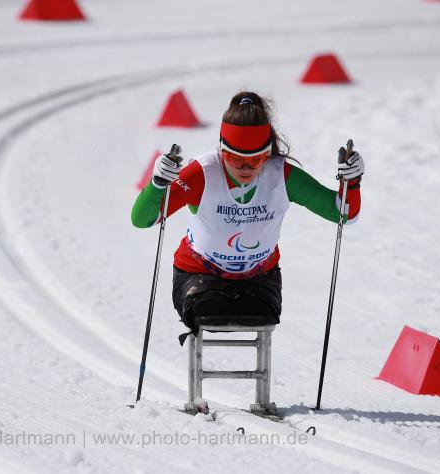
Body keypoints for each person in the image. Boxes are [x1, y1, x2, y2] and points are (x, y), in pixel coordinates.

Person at [131, 91, 364, 331]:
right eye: (233, 158)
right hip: (198, 274)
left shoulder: (282, 176)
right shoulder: (202, 173)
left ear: (267, 153)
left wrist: (351, 183)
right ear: (222, 151)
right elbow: (141, 220)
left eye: (255, 160)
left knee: (260, 313)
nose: (245, 168)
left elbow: (342, 214)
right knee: (211, 309)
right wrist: (157, 185)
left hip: (259, 278)